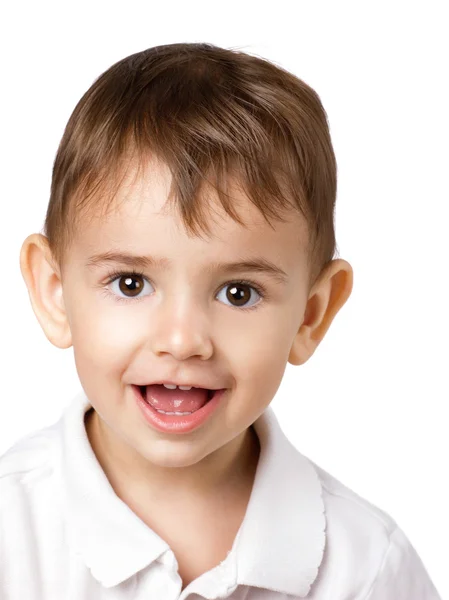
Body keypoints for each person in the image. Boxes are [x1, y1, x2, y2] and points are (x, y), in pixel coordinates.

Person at [0, 42, 441, 599]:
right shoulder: (11, 533)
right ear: (55, 292)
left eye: (238, 292)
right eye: (131, 284)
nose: (183, 340)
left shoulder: (368, 568)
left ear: (312, 313)